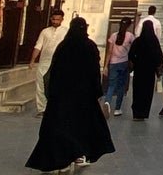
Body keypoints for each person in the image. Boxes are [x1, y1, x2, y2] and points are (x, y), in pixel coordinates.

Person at [25, 17, 115, 172]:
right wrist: (97, 92)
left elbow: (54, 72)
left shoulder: (63, 46)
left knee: (61, 127)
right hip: (83, 97)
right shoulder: (90, 46)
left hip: (62, 96)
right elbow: (94, 72)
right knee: (81, 127)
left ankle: (62, 158)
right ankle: (79, 154)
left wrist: (51, 93)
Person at [28, 8, 67, 117]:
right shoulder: (45, 32)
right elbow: (38, 46)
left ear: (62, 20)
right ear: (51, 19)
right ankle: (42, 109)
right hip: (44, 62)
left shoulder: (66, 32)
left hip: (59, 63)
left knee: (56, 86)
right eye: (54, 19)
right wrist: (32, 60)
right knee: (41, 85)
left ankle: (56, 109)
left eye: (58, 20)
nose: (55, 22)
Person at [128, 19, 163, 120]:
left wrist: (134, 63)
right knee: (147, 93)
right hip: (150, 72)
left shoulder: (138, 41)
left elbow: (131, 55)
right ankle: (144, 113)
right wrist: (158, 70)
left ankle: (136, 112)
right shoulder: (154, 42)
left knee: (137, 91)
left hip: (139, 71)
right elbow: (158, 56)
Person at [102, 17, 135, 116]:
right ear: (129, 25)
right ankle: (117, 108)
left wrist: (106, 66)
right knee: (121, 86)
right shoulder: (130, 36)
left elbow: (109, 52)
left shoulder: (113, 36)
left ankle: (107, 102)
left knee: (111, 85)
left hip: (113, 63)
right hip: (124, 63)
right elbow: (133, 49)